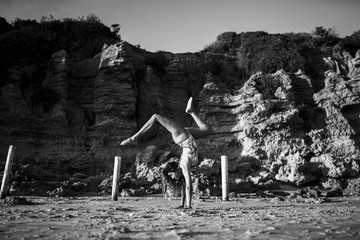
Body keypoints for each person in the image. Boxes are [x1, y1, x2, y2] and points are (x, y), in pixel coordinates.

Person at [120, 97, 213, 208]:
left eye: (171, 175)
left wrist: (187, 206)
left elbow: (188, 187)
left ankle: (134, 138)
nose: (173, 178)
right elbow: (187, 187)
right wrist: (185, 206)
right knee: (207, 130)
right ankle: (191, 112)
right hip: (187, 138)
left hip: (183, 137)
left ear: (174, 169)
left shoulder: (183, 164)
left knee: (156, 117)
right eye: (172, 176)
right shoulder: (184, 166)